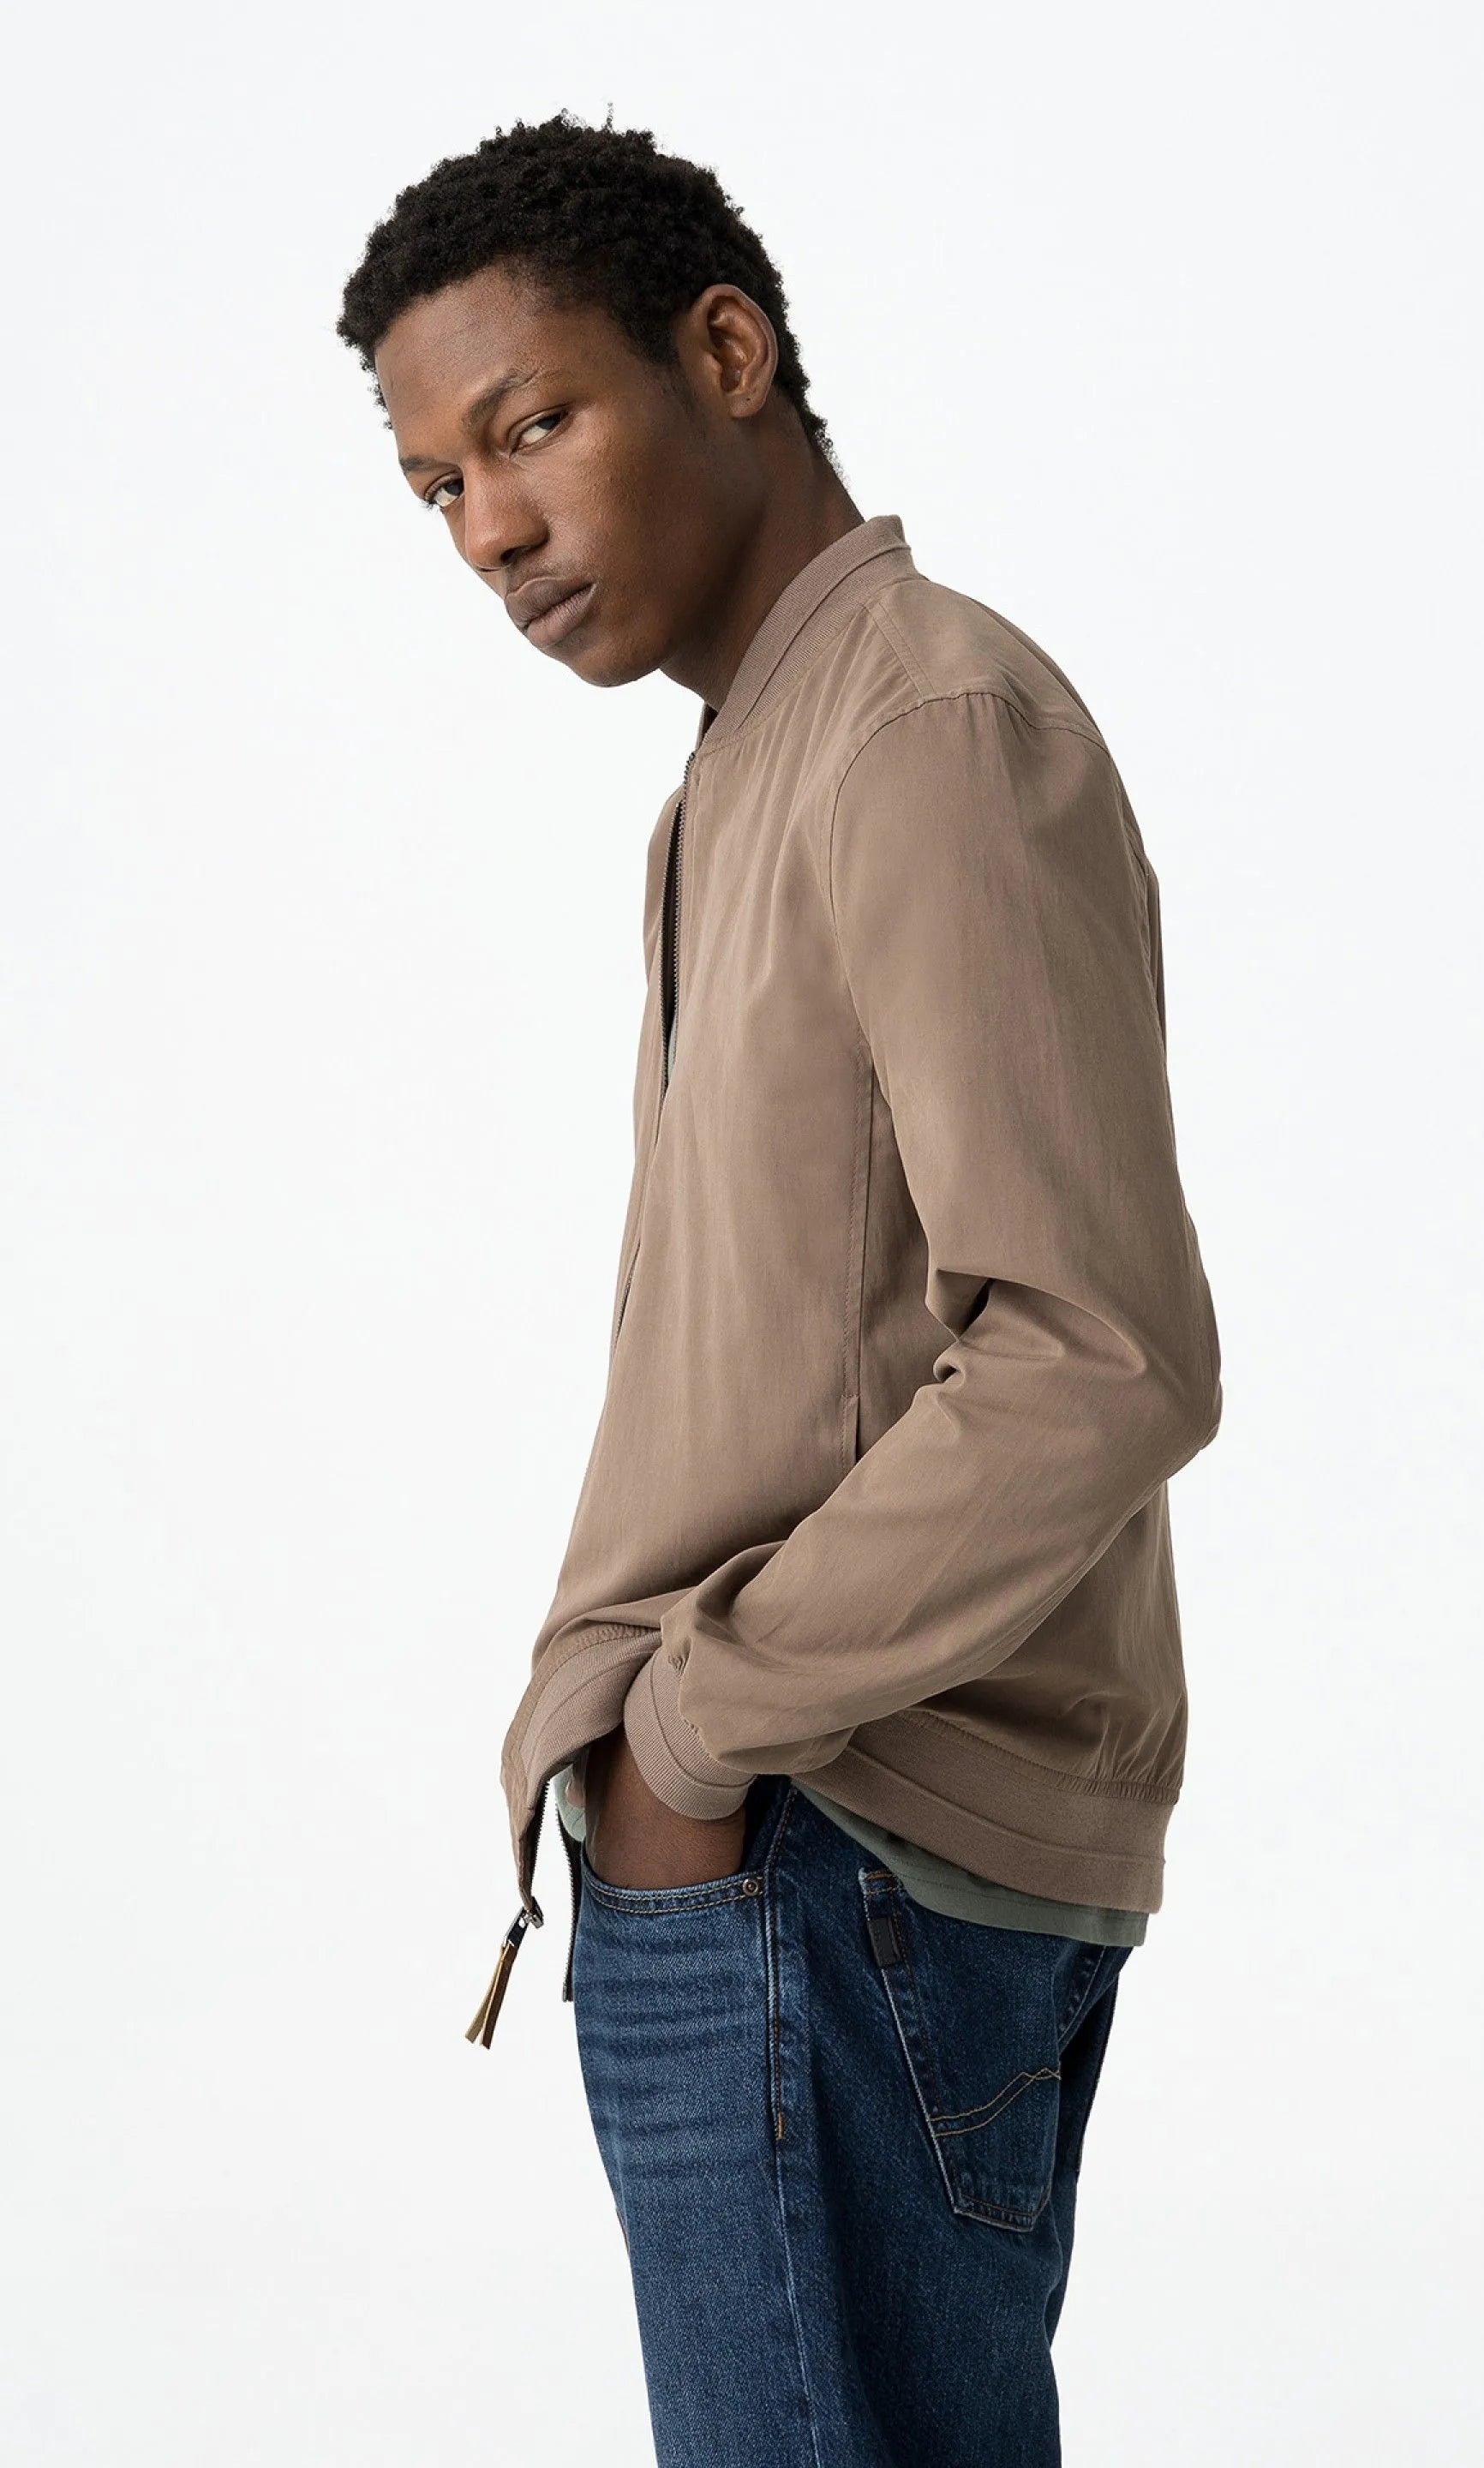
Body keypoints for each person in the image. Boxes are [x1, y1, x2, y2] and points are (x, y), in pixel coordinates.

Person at [338, 109, 1223, 2468]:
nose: (492, 527)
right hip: (786, 1858)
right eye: (437, 487)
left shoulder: (923, 729)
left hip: (834, 1852)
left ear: (724, 354)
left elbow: (1100, 1354)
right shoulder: (747, 770)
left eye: (533, 425)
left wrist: (696, 1738)